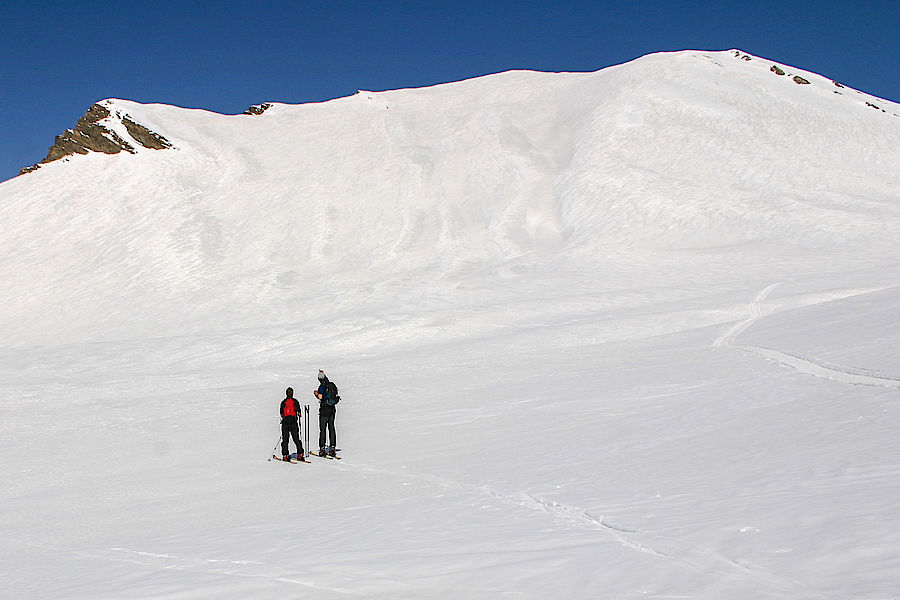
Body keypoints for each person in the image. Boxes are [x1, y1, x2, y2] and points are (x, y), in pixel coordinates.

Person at [314, 369, 339, 456]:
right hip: (332, 409)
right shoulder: (331, 384)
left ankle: (322, 448)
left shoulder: (322, 386)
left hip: (324, 410)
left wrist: (316, 394)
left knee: (323, 429)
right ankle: (332, 448)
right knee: (331, 428)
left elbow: (320, 397)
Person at [280, 387, 304, 461]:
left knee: (285, 439)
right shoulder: (295, 401)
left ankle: (285, 455)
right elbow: (299, 413)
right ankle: (300, 454)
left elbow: (281, 413)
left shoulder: (283, 402)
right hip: (293, 421)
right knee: (296, 438)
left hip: (286, 422)